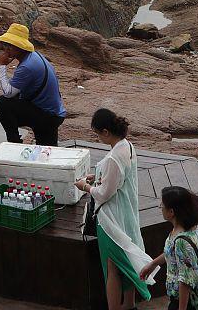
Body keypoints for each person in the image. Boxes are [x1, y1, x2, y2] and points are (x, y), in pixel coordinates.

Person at [74, 109, 154, 310]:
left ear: (106, 132)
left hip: (111, 220)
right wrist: (98, 175)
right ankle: (129, 304)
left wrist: (85, 186)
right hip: (127, 214)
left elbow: (102, 194)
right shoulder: (127, 147)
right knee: (127, 260)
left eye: (98, 134)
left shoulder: (112, 158)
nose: (98, 138)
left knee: (112, 266)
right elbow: (116, 179)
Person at [139, 186, 198, 310]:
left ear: (171, 212)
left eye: (162, 205)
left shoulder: (181, 241)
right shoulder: (192, 227)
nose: (160, 207)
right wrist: (153, 264)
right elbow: (171, 253)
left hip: (189, 302)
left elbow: (185, 280)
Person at [0, 23, 65, 146]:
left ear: (19, 47)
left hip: (47, 116)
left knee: (3, 103)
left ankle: (14, 143)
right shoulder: (34, 56)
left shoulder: (27, 66)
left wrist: (1, 66)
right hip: (54, 112)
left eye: (9, 46)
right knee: (47, 149)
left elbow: (8, 93)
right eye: (5, 45)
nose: (6, 49)